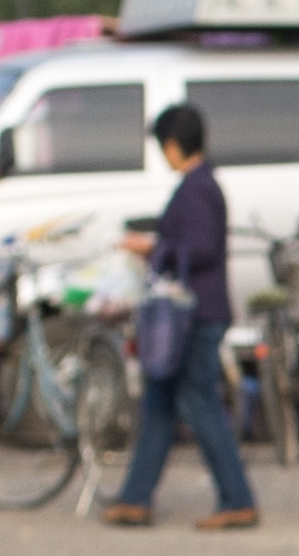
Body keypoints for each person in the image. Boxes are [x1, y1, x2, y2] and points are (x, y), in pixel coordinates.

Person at [103, 102, 253, 531]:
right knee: (158, 404)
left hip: (193, 316)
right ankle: (136, 496)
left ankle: (237, 497)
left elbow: (202, 247)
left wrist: (152, 248)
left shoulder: (197, 188)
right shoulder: (202, 184)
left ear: (172, 145)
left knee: (200, 404)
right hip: (193, 314)